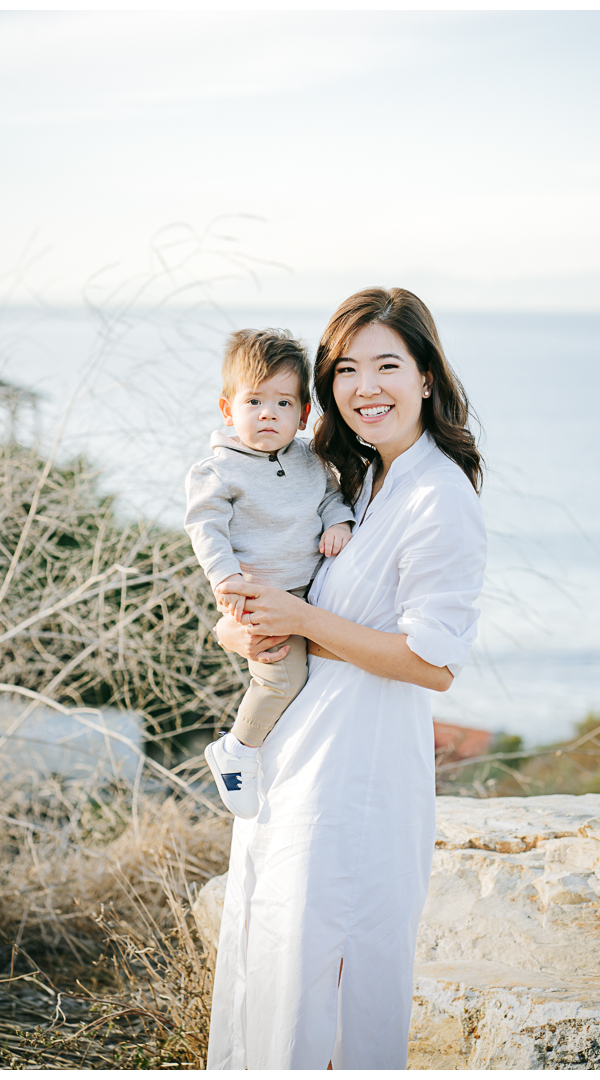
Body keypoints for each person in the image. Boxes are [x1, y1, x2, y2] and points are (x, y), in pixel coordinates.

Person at [206, 288, 486, 1070]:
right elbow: (275, 614)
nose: (366, 387)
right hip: (295, 763)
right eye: (346, 369)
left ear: (426, 376)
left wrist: (296, 624)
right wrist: (242, 627)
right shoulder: (353, 482)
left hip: (357, 781)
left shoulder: (439, 496)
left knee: (331, 992)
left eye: (388, 365)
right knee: (277, 978)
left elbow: (432, 662)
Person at [184, 329, 354, 818]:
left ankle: (269, 752)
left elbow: (328, 496)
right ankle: (237, 751)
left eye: (282, 403)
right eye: (254, 401)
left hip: (308, 589)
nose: (267, 414)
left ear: (303, 415)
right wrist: (226, 580)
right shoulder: (216, 471)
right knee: (281, 678)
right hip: (260, 595)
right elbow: (206, 528)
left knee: (312, 682)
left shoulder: (309, 458)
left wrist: (337, 519)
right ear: (227, 409)